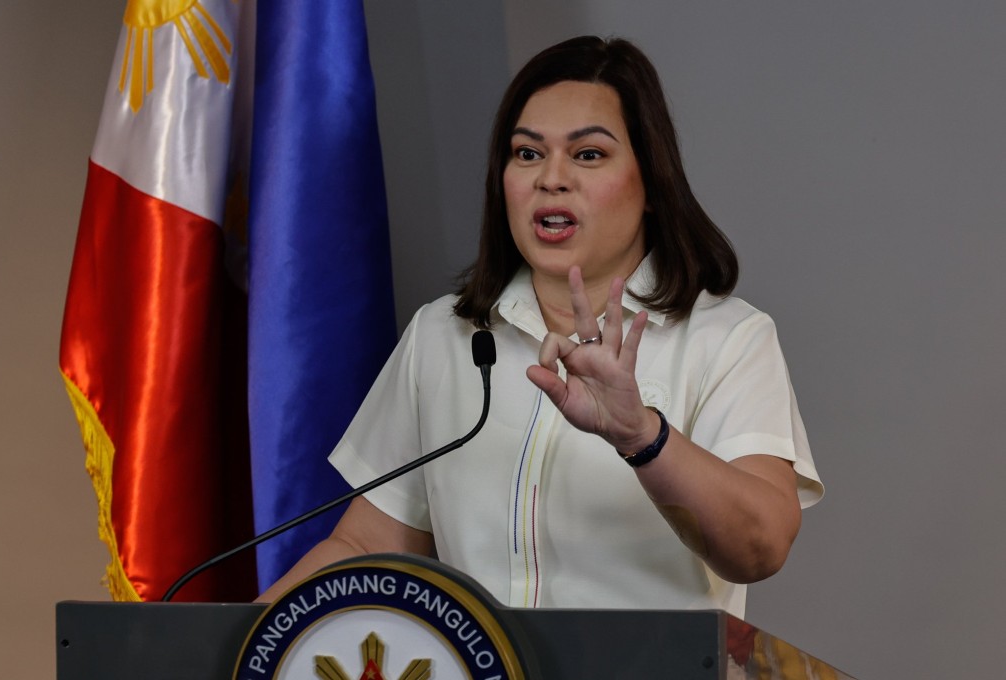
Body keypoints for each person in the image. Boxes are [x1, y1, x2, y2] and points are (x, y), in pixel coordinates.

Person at [258, 36, 823, 618]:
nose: (550, 178)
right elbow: (365, 546)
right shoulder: (444, 337)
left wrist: (643, 438)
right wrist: (222, 646)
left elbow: (760, 546)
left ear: (652, 183)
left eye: (588, 155)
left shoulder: (726, 339)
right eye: (527, 154)